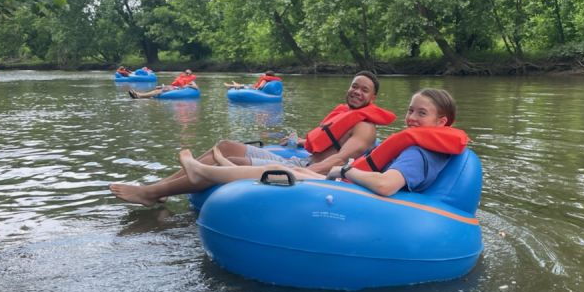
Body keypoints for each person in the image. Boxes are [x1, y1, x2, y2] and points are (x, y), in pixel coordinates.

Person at [109, 72, 395, 205]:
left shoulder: (365, 127)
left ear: (374, 97)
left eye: (364, 90)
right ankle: (155, 189)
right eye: (354, 86)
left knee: (228, 159)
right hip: (300, 157)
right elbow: (321, 143)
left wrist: (301, 170)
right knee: (222, 146)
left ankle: (151, 192)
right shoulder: (344, 113)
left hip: (307, 169)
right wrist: (294, 144)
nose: (357, 91)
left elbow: (339, 159)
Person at [172, 88, 466, 199]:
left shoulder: (418, 152)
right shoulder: (426, 146)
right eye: (410, 110)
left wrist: (345, 171)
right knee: (275, 165)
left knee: (279, 168)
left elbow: (387, 185)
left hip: (350, 186)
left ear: (442, 123)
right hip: (345, 179)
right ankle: (207, 171)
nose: (411, 118)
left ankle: (205, 172)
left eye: (421, 113)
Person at [129, 69, 197, 99]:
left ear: (190, 74)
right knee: (157, 88)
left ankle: (139, 95)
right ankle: (139, 94)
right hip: (175, 89)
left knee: (158, 91)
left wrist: (188, 85)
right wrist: (164, 86)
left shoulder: (191, 81)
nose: (187, 74)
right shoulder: (181, 78)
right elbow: (174, 85)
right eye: (186, 72)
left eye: (188, 73)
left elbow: (196, 88)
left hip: (179, 90)